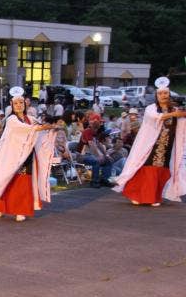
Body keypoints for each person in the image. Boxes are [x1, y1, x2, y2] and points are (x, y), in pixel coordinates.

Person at [113, 77, 186, 206]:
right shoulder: (151, 108)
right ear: (156, 96)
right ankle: (136, 194)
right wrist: (174, 115)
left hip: (166, 146)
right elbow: (155, 118)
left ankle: (154, 197)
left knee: (161, 169)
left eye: (165, 93)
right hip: (150, 144)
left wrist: (180, 115)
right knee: (145, 168)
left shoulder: (174, 110)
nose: (163, 96)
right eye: (160, 94)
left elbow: (181, 122)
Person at [0, 87, 56, 222]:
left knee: (22, 183)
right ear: (12, 106)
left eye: (21, 103)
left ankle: (20, 210)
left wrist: (49, 129)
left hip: (27, 157)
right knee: (7, 181)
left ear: (25, 104)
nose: (19, 105)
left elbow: (39, 129)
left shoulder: (31, 119)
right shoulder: (12, 119)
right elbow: (23, 129)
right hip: (12, 157)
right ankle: (0, 207)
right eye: (16, 103)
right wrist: (40, 128)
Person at [78, 113, 113, 188]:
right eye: (99, 122)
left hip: (90, 154)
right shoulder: (87, 131)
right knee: (96, 161)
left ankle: (105, 179)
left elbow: (99, 145)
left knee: (108, 160)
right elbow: (92, 145)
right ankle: (94, 181)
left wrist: (106, 155)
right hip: (82, 155)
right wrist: (99, 156)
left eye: (100, 122)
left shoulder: (96, 132)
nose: (100, 124)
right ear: (92, 122)